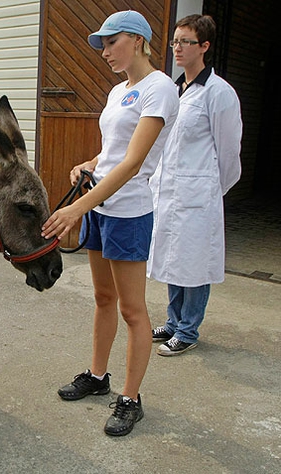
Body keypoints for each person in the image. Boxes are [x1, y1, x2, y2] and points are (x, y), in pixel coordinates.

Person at [41, 10, 178, 436]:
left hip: (130, 212)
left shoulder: (160, 89)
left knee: (133, 309)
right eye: (101, 44)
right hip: (102, 206)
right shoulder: (120, 90)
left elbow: (135, 162)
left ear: (137, 40)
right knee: (103, 298)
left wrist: (76, 208)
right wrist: (90, 163)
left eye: (110, 42)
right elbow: (115, 150)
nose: (103, 52)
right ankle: (98, 377)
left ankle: (131, 398)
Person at [148, 15, 242, 356]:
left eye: (185, 42)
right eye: (174, 41)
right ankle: (173, 322)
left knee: (195, 262)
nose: (177, 48)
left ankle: (188, 330)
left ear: (204, 46)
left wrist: (211, 189)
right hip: (171, 191)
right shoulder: (174, 90)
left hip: (199, 193)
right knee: (175, 259)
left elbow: (230, 152)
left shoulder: (218, 93)